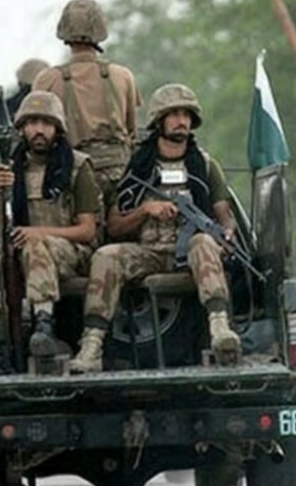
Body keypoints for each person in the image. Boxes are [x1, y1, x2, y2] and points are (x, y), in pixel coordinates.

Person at [69, 83, 241, 373]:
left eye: (186, 115)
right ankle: (92, 346)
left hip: (191, 254)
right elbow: (115, 225)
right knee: (106, 256)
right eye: (173, 114)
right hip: (148, 252)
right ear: (159, 121)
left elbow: (225, 215)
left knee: (204, 242)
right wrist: (145, 210)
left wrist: (226, 234)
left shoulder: (205, 165)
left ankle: (220, 330)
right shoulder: (139, 167)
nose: (181, 121)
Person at [0, 90, 101, 374]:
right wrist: (0, 192)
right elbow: (1, 228)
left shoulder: (77, 166)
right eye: (32, 122)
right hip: (22, 251)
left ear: (57, 128)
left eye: (46, 123)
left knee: (34, 244)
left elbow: (87, 231)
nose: (39, 130)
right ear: (22, 129)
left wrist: (38, 233)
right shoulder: (13, 168)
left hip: (70, 254)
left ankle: (43, 323)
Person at [32, 0, 141, 203]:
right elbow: (131, 130)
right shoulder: (122, 76)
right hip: (119, 175)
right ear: (101, 30)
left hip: (71, 174)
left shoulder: (47, 79)